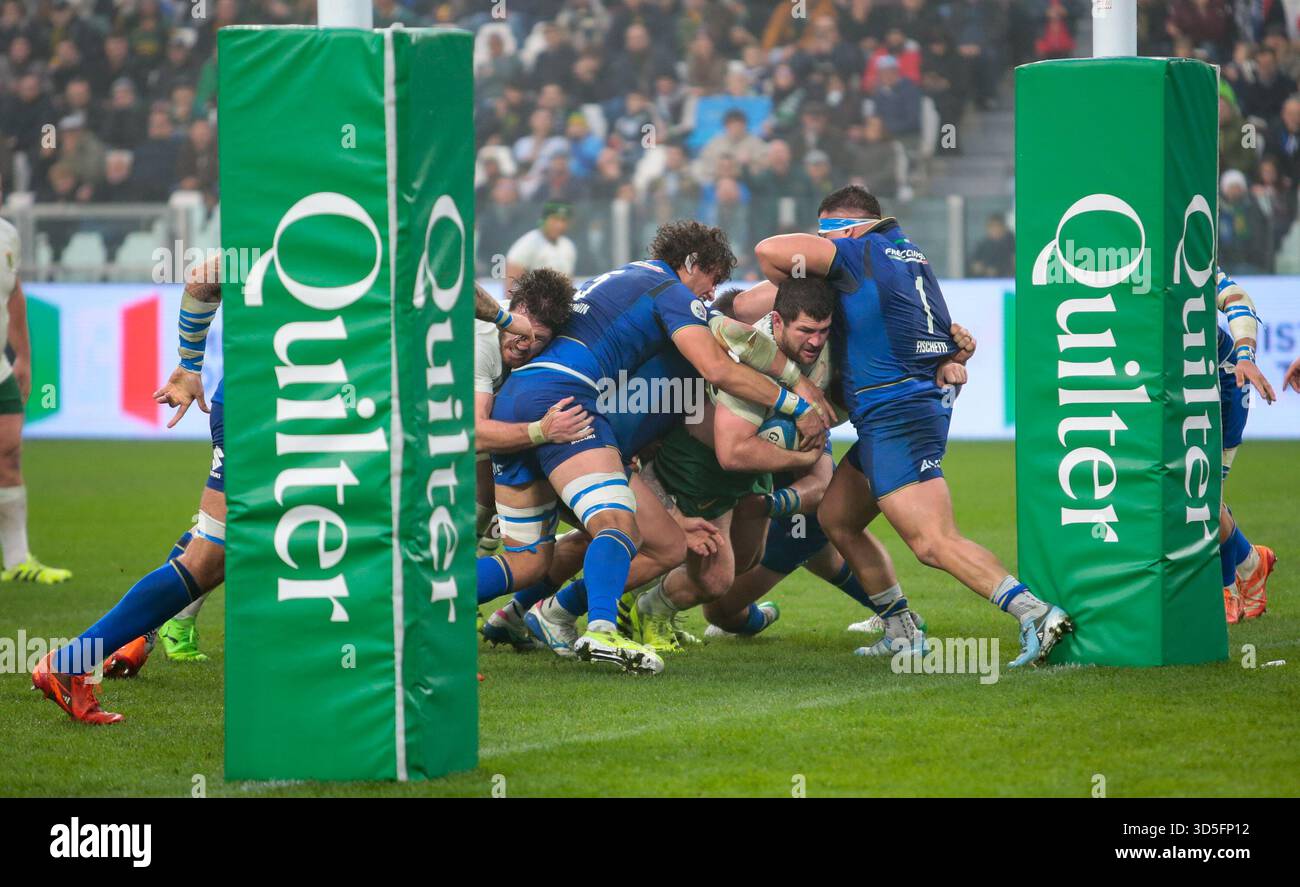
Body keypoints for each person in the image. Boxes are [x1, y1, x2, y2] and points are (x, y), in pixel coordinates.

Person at [479, 220, 831, 674]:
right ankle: (597, 629)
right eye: (711, 279)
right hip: (565, 403)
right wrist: (796, 401)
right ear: (690, 263)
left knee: (527, 561)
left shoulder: (627, 279)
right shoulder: (670, 291)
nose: (709, 293)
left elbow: (729, 333)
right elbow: (721, 367)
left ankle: (433, 599)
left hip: (520, 401)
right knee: (625, 528)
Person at [752, 185, 1071, 668]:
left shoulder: (858, 251)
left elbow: (767, 252)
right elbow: (939, 342)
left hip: (896, 414)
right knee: (837, 518)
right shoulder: (911, 257)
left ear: (848, 230)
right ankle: (902, 631)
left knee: (931, 542)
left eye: (825, 234)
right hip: (906, 407)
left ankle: (1036, 613)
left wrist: (822, 263)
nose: (821, 245)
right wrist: (957, 354)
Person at [0, 178, 72, 586]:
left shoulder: (7, 235)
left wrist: (23, 357)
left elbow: (13, 295)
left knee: (9, 455)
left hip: (0, 369)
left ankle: (17, 560)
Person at [1214, 268, 1277, 622]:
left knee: (1202, 494)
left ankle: (1228, 592)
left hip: (1221, 383)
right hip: (1170, 389)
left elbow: (1237, 299)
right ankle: (1251, 562)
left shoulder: (1181, 259)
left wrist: (1245, 356)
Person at [504, 202, 577, 292]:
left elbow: (569, 284)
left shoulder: (568, 246)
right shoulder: (526, 245)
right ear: (544, 220)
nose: (559, 225)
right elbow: (510, 287)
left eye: (563, 220)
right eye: (554, 219)